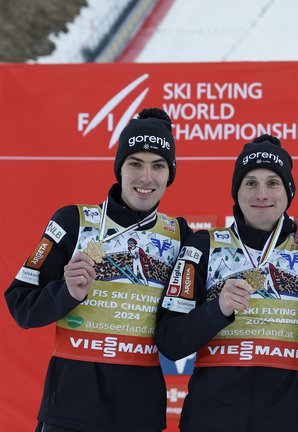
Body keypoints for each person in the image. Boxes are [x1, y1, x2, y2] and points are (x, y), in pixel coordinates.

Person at [5, 108, 191, 432]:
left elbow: (248, 258)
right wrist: (66, 293)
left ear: (169, 174)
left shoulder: (180, 235)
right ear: (120, 168)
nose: (146, 178)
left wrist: (296, 233)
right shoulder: (72, 221)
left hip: (139, 414)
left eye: (158, 166)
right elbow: (21, 306)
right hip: (69, 410)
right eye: (135, 163)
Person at [155, 134, 298, 432]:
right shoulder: (203, 246)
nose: (262, 194)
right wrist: (216, 311)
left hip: (285, 422)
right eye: (250, 183)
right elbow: (170, 342)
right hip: (209, 422)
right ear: (237, 191)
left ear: (288, 192)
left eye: (273, 183)